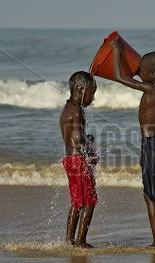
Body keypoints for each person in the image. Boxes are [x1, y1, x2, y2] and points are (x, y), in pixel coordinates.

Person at [110, 38, 155, 251]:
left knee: (149, 195)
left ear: (152, 75)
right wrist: (141, 68)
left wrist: (118, 52)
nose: (138, 72)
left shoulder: (149, 90)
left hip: (150, 145)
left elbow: (120, 76)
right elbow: (144, 75)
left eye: (142, 70)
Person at [60, 71, 99, 248]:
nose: (93, 98)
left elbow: (76, 137)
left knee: (77, 201)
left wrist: (86, 140)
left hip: (70, 160)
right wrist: (88, 153)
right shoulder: (76, 112)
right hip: (78, 161)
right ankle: (81, 241)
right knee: (89, 202)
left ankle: (70, 240)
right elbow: (77, 139)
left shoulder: (68, 108)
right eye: (92, 93)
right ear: (82, 89)